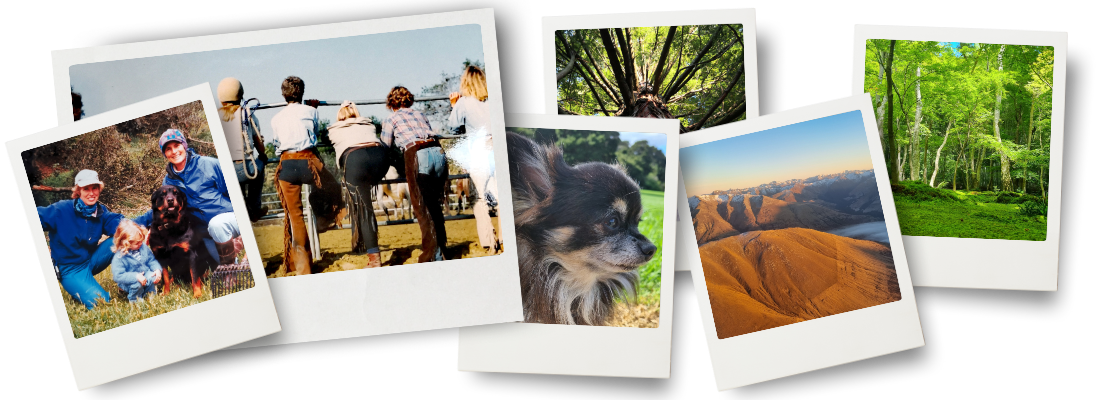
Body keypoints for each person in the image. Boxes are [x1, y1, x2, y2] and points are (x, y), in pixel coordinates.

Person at [133, 129, 238, 273]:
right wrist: (146, 226)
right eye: (168, 149)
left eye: (177, 145)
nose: (174, 151)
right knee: (217, 266)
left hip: (231, 219)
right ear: (165, 154)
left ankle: (240, 242)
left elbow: (235, 192)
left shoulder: (210, 164)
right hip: (205, 232)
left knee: (218, 225)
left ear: (184, 145)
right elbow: (163, 209)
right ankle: (233, 259)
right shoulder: (168, 181)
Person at [270, 76, 345, 275]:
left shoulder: (275, 118)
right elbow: (315, 134)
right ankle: (324, 217)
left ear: (283, 94)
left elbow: (277, 143)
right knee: (333, 186)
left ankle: (303, 268)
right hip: (308, 162)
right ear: (302, 93)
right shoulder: (311, 111)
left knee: (295, 217)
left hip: (286, 165)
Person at [37, 170, 124, 308]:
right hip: (69, 269)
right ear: (78, 191)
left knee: (123, 237)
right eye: (86, 189)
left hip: (91, 260)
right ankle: (78, 286)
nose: (91, 193)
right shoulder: (60, 210)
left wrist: (146, 224)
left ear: (99, 189)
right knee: (101, 303)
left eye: (94, 188)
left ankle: (125, 283)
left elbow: (119, 223)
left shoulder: (100, 212)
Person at [382, 86, 448, 262]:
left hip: (417, 153)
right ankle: (442, 248)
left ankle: (431, 254)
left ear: (391, 103)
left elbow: (385, 146)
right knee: (435, 204)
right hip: (437, 150)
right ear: (409, 99)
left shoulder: (391, 118)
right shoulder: (420, 114)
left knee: (421, 206)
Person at [447, 65, 501, 253]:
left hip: (479, 149)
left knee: (479, 198)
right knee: (502, 197)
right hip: (498, 146)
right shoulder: (493, 101)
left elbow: (453, 127)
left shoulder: (464, 103)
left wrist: (454, 106)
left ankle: (489, 242)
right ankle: (505, 237)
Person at [329, 101, 388, 268]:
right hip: (380, 158)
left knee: (364, 211)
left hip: (356, 161)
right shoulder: (368, 123)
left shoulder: (334, 129)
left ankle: (374, 259)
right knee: (365, 203)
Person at [217, 77, 267, 222]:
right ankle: (255, 207)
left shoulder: (217, 115)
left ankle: (243, 207)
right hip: (248, 169)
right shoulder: (248, 114)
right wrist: (263, 154)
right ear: (240, 94)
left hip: (228, 171)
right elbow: (259, 145)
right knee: (261, 163)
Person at [110, 220, 163, 302]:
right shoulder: (120, 257)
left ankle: (149, 294)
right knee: (137, 284)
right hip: (129, 281)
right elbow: (118, 276)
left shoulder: (143, 247)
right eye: (137, 243)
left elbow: (151, 260)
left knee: (153, 276)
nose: (140, 244)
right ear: (126, 243)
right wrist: (136, 277)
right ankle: (135, 299)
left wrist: (157, 269)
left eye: (141, 241)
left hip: (145, 274)